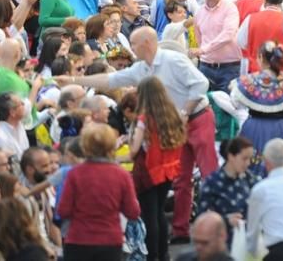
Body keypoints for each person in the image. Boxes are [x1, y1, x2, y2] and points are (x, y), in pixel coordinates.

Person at [60, 27, 215, 244]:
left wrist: (185, 112)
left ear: (146, 43)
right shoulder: (141, 68)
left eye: (133, 44)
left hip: (197, 118)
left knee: (208, 173)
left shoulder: (173, 60)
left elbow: (201, 84)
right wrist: (74, 81)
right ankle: (181, 230)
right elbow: (110, 80)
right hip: (175, 124)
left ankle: (214, 226)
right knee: (181, 179)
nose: (130, 48)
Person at [58, 123, 140, 261]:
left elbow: (63, 210)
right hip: (110, 240)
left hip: (78, 239)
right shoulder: (121, 175)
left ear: (85, 146)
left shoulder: (75, 174)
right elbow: (133, 212)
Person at [229, 42, 283, 175]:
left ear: (260, 58)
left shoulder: (247, 82)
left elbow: (236, 104)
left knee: (255, 171)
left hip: (255, 128)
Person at [130, 77, 185, 261]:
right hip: (168, 170)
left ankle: (152, 255)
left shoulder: (144, 119)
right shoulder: (172, 114)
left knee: (149, 214)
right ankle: (164, 254)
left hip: (148, 171)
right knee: (160, 212)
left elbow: (134, 150)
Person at [197, 136, 259, 246]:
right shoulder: (212, 182)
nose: (248, 163)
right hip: (220, 245)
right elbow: (202, 217)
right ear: (231, 156)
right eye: (244, 159)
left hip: (247, 244)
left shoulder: (251, 180)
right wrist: (225, 220)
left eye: (250, 159)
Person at [193, 0, 241, 93]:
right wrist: (203, 51)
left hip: (230, 67)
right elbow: (200, 38)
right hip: (206, 67)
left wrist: (204, 50)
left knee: (230, 107)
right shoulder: (199, 13)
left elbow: (228, 35)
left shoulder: (230, 8)